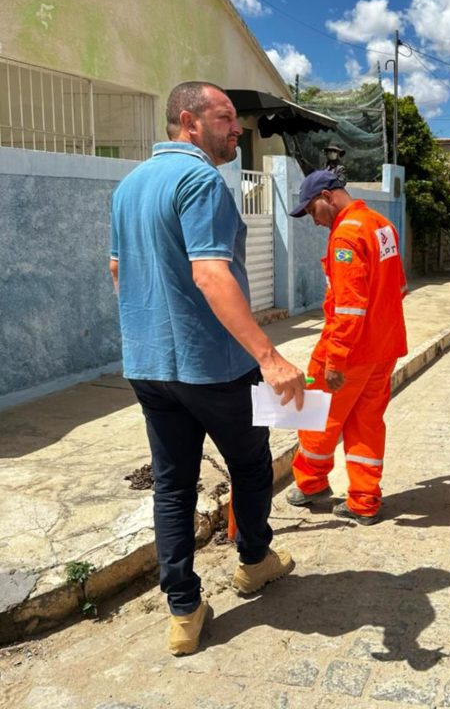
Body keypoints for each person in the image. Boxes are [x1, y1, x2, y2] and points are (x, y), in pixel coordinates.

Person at [109, 81, 306, 656]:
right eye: (225, 118)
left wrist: (147, 332)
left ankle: (183, 611)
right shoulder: (201, 180)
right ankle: (254, 563)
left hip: (149, 365)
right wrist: (269, 357)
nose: (237, 128)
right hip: (214, 367)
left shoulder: (128, 188)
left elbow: (119, 270)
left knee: (172, 485)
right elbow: (210, 274)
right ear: (189, 122)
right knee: (250, 466)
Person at [285, 170, 407, 525]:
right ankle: (364, 501)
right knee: (366, 423)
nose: (314, 220)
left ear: (327, 196)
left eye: (311, 211)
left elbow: (349, 307)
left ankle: (310, 484)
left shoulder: (346, 236)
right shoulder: (382, 225)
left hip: (349, 350)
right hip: (383, 347)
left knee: (316, 418)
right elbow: (398, 286)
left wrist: (335, 358)